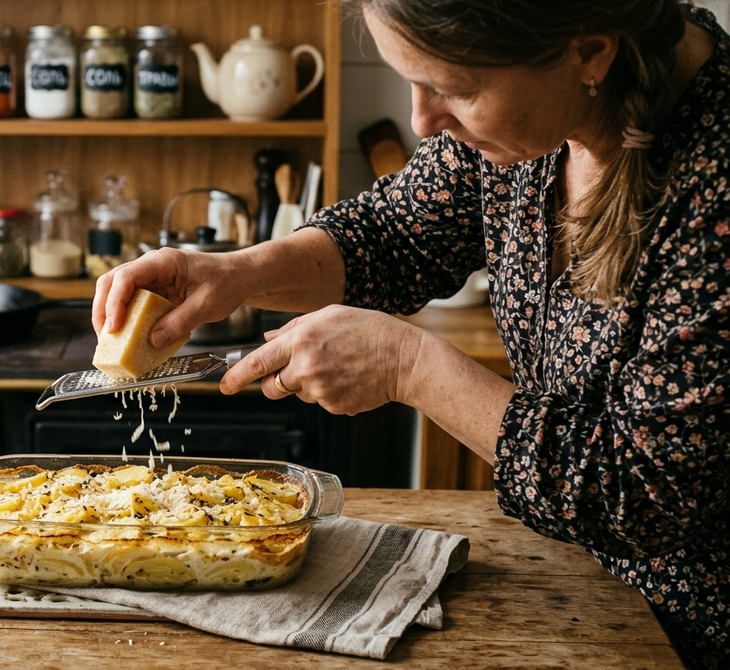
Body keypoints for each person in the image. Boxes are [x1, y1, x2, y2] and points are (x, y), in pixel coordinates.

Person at [93, 1, 728, 666]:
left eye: (454, 90)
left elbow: (645, 493)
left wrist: (409, 367)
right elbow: (394, 235)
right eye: (413, 82)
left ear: (590, 53)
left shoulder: (715, 181)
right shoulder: (533, 118)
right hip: (577, 598)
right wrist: (237, 272)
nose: (423, 122)